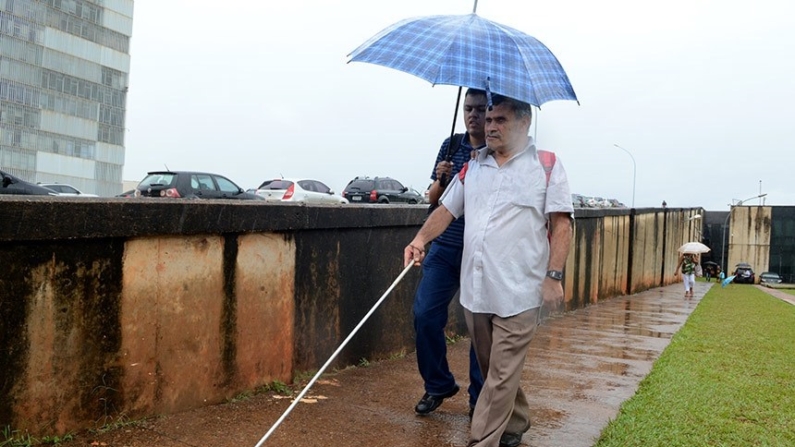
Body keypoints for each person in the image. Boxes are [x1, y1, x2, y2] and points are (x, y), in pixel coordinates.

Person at [404, 93, 574, 447]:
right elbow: (446, 210)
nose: (489, 126)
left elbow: (562, 224)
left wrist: (553, 276)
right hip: (476, 290)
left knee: (497, 375)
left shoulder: (546, 165)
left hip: (521, 291)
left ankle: (481, 439)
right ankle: (518, 420)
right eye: (489, 119)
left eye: (500, 120)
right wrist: (420, 239)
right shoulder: (473, 166)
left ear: (524, 123)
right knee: (493, 368)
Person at [412, 88, 488, 418]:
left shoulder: (494, 151)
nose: (473, 115)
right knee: (425, 314)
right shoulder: (451, 145)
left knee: (479, 326)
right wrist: (442, 179)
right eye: (468, 109)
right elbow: (433, 199)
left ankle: (478, 398)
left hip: (478, 250)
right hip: (444, 246)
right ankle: (438, 383)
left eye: (480, 110)